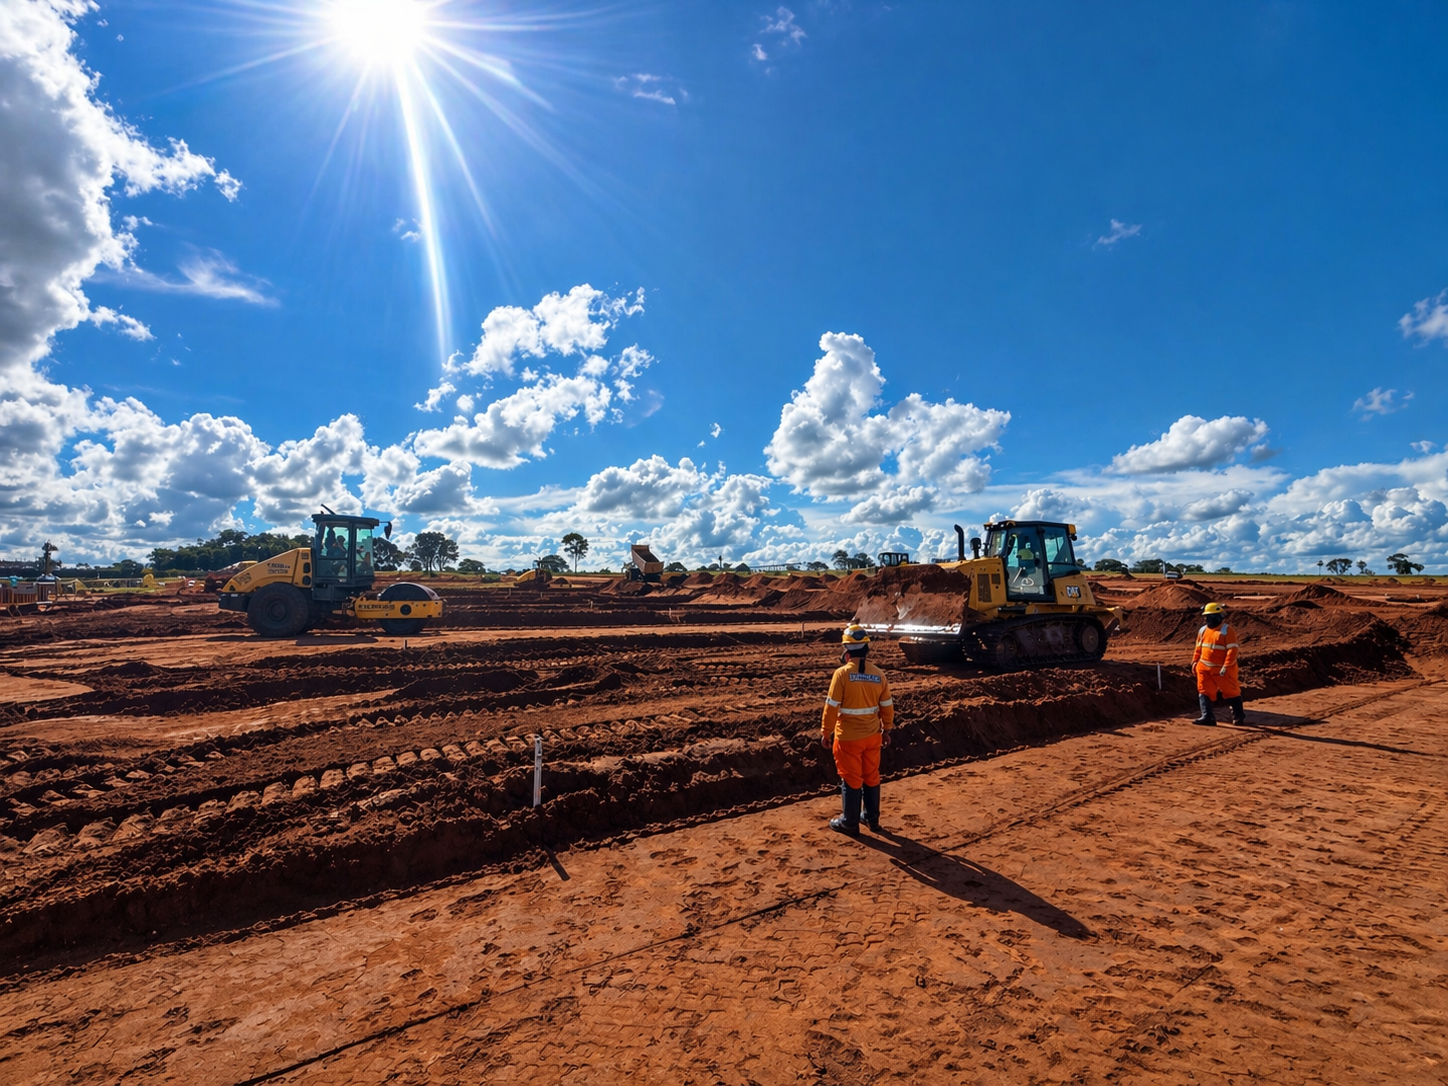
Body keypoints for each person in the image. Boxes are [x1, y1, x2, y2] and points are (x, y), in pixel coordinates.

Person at [820, 623, 895, 836]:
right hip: (873, 737)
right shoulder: (879, 675)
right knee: (871, 775)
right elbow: (887, 707)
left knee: (851, 779)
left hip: (848, 739)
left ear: (846, 650)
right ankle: (872, 819)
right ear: (866, 649)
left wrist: (825, 731)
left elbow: (831, 707)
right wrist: (887, 730)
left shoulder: (841, 675)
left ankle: (849, 823)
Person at [1192, 601, 1245, 726]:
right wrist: (1195, 662)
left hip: (1223, 670)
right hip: (1204, 668)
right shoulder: (1203, 631)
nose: (1208, 620)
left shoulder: (1227, 631)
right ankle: (1207, 717)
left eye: (1210, 617)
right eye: (1207, 617)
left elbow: (1232, 651)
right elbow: (1198, 648)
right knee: (1204, 691)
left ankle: (1239, 716)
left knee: (1231, 692)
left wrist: (1226, 666)